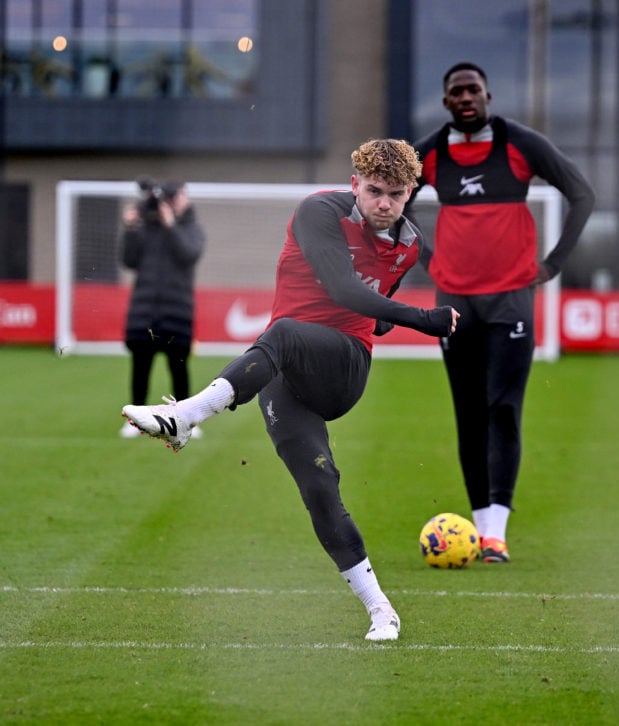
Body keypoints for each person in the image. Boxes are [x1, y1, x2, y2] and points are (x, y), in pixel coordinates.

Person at [122, 139, 459, 641]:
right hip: (282, 369)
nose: (384, 203)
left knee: (280, 334)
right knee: (320, 487)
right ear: (354, 186)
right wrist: (424, 320)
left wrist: (399, 319)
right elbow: (348, 290)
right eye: (374, 191)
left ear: (411, 193)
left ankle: (184, 417)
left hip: (344, 366)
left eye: (395, 194)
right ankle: (382, 610)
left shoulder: (408, 245)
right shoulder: (318, 212)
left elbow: (371, 311)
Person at [408, 62, 595, 562]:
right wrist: (427, 260)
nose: (465, 97)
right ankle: (481, 521)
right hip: (453, 302)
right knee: (468, 414)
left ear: (487, 94)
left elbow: (581, 194)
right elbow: (390, 205)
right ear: (446, 101)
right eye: (456, 91)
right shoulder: (428, 154)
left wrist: (553, 264)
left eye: (473, 89)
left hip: (511, 297)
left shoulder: (521, 144)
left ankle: (495, 533)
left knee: (504, 410)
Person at [117, 178, 206, 440]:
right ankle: (135, 419)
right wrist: (131, 228)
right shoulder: (146, 229)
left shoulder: (192, 229)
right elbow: (129, 260)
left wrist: (170, 225)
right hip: (144, 310)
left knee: (179, 367)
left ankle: (187, 420)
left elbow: (189, 253)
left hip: (177, 311)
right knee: (140, 366)